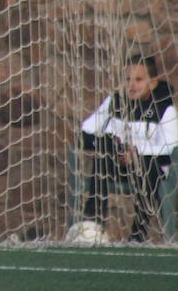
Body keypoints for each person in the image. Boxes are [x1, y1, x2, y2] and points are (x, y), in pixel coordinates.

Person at [75, 56, 177, 243]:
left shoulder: (164, 109)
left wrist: (135, 153)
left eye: (138, 80)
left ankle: (138, 234)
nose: (132, 85)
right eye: (127, 79)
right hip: (115, 162)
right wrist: (117, 148)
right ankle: (92, 223)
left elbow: (169, 148)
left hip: (147, 168)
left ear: (152, 83)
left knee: (150, 165)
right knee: (104, 146)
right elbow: (86, 131)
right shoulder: (114, 102)